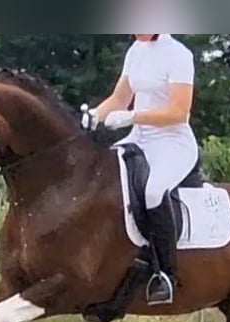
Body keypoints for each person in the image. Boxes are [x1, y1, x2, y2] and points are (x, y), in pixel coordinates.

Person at [83, 34, 199, 307]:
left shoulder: (179, 55)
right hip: (139, 138)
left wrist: (134, 116)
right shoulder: (136, 50)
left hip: (173, 142)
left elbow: (179, 112)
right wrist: (93, 116)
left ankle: (165, 275)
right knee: (101, 177)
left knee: (153, 192)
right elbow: (120, 98)